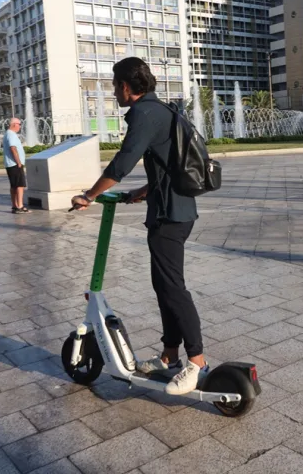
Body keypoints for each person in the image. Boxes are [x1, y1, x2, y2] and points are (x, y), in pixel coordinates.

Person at [71, 57, 205, 395]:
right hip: (176, 210)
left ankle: (197, 362)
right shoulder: (163, 111)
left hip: (169, 216)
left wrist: (89, 195)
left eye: (115, 85)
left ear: (127, 87)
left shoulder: (145, 114)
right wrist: (140, 193)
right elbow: (168, 165)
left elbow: (122, 163)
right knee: (164, 286)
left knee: (173, 288)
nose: (114, 91)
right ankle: (170, 356)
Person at [3, 118, 30, 214]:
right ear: (14, 124)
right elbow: (13, 148)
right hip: (15, 164)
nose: (20, 126)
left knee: (14, 185)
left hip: (10, 164)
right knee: (19, 185)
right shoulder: (11, 134)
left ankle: (15, 206)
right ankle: (20, 206)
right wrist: (18, 162)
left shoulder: (8, 134)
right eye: (19, 124)